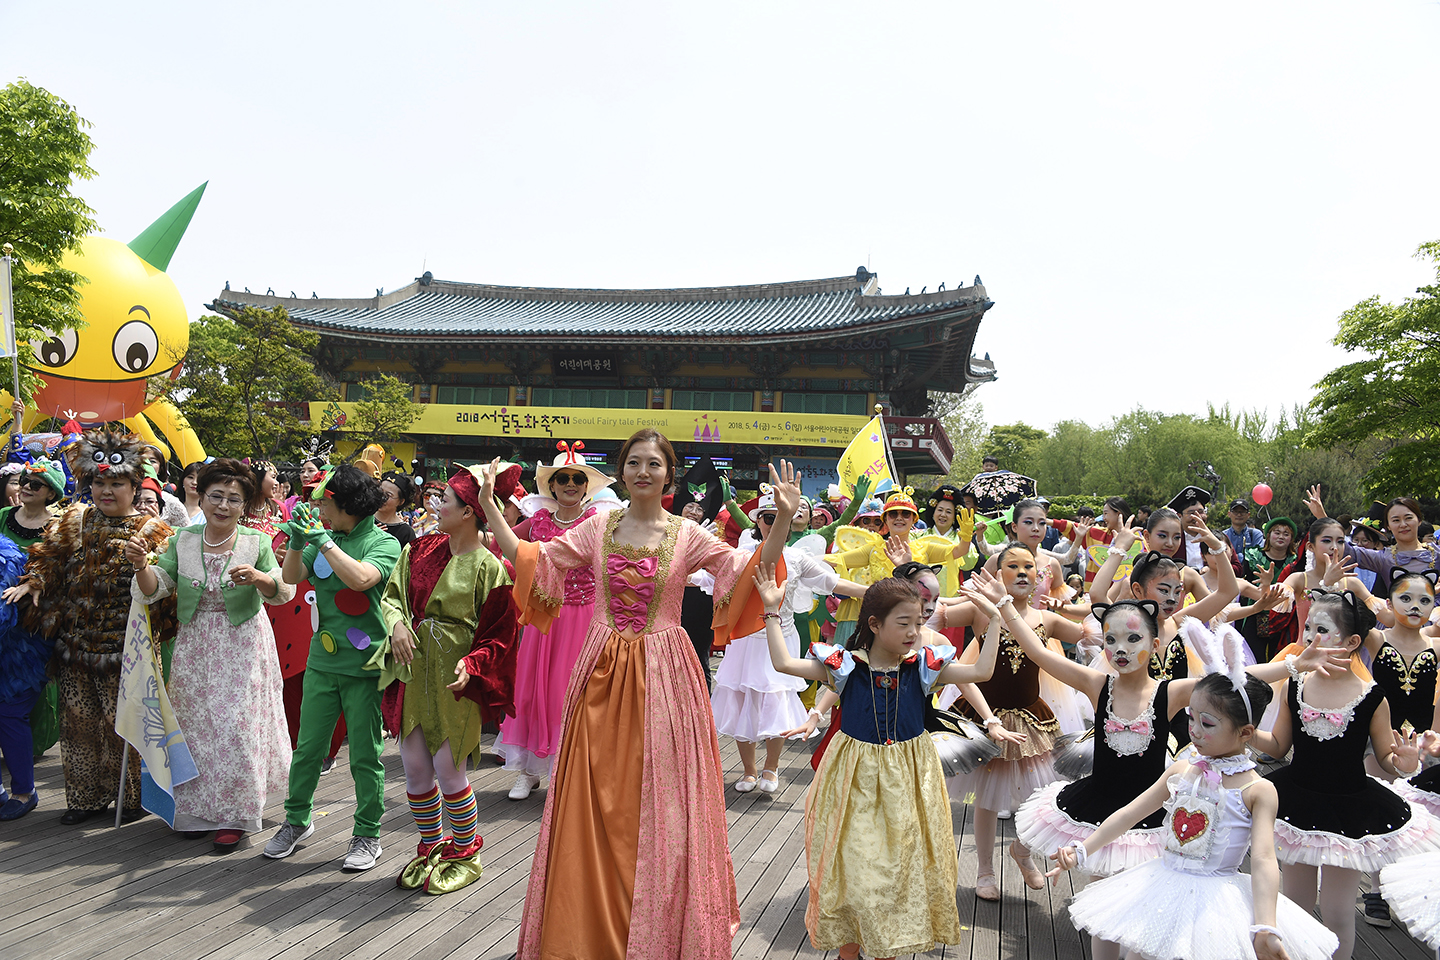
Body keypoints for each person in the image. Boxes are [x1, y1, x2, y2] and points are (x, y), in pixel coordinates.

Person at [482, 430, 799, 960]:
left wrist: (784, 519)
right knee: (592, 793)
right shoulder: (596, 528)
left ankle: (661, 927)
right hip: (601, 669)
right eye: (634, 463)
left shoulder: (687, 533)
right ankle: (586, 926)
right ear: (622, 472)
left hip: (667, 674)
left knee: (665, 797)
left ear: (668, 474)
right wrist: (491, 505)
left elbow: (748, 570)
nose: (643, 471)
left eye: (654, 463)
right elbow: (531, 557)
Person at [758, 570, 1001, 960]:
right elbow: (784, 664)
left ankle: (888, 949)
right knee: (856, 868)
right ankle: (849, 953)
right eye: (903, 623)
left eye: (918, 623)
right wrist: (772, 612)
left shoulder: (923, 667)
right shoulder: (845, 666)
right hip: (854, 777)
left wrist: (998, 617)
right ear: (874, 624)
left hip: (909, 776)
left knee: (897, 870)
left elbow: (981, 672)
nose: (913, 632)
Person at [1047, 671, 1340, 960]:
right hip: (1161, 889)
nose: (1195, 730)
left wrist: (1265, 925)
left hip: (1215, 908)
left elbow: (1264, 858)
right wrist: (1082, 850)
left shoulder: (1258, 790)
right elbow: (1128, 814)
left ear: (1246, 732)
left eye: (1207, 723)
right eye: (1191, 718)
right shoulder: (1180, 770)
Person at [1252, 590, 1440, 960]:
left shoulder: (1372, 697)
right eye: (1307, 627)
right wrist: (1245, 732)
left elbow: (1386, 758)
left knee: (1338, 912)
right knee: (1294, 904)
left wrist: (1402, 760)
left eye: (1321, 629)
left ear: (1352, 641)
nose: (1309, 637)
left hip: (1352, 813)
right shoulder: (1295, 684)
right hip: (1295, 803)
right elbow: (1276, 746)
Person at [3, 430, 175, 824]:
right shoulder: (74, 520)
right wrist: (33, 582)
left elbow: (167, 593)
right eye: (99, 481)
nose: (106, 490)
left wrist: (142, 563)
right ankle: (83, 799)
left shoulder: (154, 532)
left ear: (134, 487)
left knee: (125, 727)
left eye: (116, 483)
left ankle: (129, 799)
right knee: (78, 724)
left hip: (127, 648)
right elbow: (47, 559)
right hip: (75, 644)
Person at [128, 458, 294, 851]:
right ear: (200, 497)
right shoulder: (182, 540)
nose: (223, 505)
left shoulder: (256, 542)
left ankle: (236, 814)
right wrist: (139, 566)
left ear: (245, 505)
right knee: (196, 726)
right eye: (215, 496)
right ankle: (198, 812)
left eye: (233, 499)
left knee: (236, 726)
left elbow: (283, 591)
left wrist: (259, 578)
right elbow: (155, 589)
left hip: (243, 645)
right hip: (194, 643)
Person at [378, 465, 520, 895]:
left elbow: (500, 633)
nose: (438, 506)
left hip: (455, 676)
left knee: (449, 768)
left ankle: (466, 849)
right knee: (416, 769)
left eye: (448, 502)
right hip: (413, 667)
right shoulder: (419, 550)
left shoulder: (490, 568)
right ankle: (430, 845)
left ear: (470, 512)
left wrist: (473, 664)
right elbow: (392, 597)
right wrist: (398, 624)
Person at [263, 464, 401, 871]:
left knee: (364, 755)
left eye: (326, 502)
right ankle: (296, 820)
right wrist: (295, 540)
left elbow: (360, 580)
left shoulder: (383, 542)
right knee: (306, 749)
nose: (319, 508)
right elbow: (290, 579)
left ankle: (367, 834)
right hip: (321, 662)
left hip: (365, 665)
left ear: (349, 504)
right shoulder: (325, 536)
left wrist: (321, 541)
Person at [936, 542, 1086, 900]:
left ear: (1038, 576)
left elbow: (1089, 630)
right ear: (999, 574)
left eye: (1029, 566)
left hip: (1032, 720)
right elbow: (935, 613)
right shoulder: (979, 612)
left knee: (1044, 795)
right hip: (984, 718)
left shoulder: (1045, 619)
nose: (1022, 572)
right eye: (1013, 566)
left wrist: (1072, 606)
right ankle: (985, 872)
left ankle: (1022, 850)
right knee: (986, 799)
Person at [712, 488, 866, 795]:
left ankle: (771, 766)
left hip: (780, 640)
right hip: (744, 642)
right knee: (743, 703)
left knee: (777, 703)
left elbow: (831, 582)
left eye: (780, 516)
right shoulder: (742, 556)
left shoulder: (797, 557)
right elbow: (709, 578)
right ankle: (749, 769)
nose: (774, 522)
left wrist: (875, 591)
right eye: (768, 518)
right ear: (758, 523)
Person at [497, 442, 613, 800]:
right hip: (543, 618)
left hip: (584, 618)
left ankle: (571, 769)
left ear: (586, 486)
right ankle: (529, 771)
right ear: (552, 485)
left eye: (577, 479)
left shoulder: (599, 524)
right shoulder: (538, 522)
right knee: (532, 692)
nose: (570, 484)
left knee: (572, 695)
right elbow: (502, 546)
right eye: (562, 478)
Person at [138, 442, 192, 528]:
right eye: (141, 461)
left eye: (152, 461)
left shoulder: (171, 502)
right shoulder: (122, 497)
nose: (146, 465)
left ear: (161, 468)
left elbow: (187, 534)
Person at [376, 471, 418, 548]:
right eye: (380, 491)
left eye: (388, 495)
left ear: (401, 501)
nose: (381, 497)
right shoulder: (364, 517)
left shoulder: (406, 532)